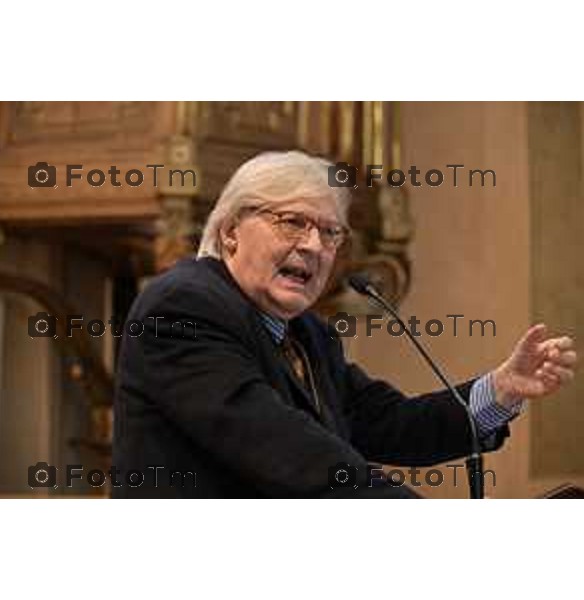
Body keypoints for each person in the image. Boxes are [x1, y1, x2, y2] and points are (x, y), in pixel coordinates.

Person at [112, 151, 577, 498]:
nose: (314, 246)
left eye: (330, 232)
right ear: (231, 231)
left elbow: (390, 424)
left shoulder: (307, 334)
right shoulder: (182, 308)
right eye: (292, 222)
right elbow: (290, 451)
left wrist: (499, 391)